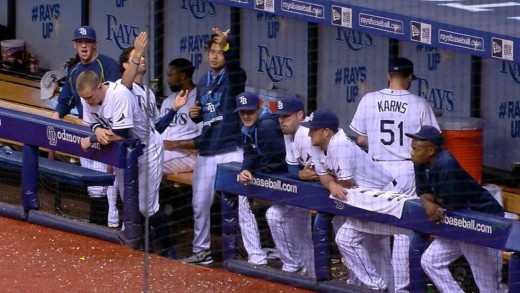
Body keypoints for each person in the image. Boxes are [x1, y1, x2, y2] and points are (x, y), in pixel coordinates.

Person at [350, 57, 440, 292]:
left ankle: (379, 283)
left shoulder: (369, 99)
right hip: (406, 169)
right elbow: (434, 141)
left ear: (388, 75)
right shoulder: (419, 104)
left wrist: (379, 143)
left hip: (375, 169)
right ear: (410, 77)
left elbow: (360, 138)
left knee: (373, 225)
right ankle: (400, 288)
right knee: (403, 231)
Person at [76, 69, 180, 259]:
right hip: (125, 152)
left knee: (146, 206)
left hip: (148, 148)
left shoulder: (119, 95)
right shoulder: (86, 97)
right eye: (85, 98)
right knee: (129, 203)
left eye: (90, 97)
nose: (88, 101)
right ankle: (142, 246)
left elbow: (120, 134)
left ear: (100, 87)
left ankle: (169, 249)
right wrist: (97, 129)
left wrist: (93, 138)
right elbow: (92, 121)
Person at [302, 109, 397, 292]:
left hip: (383, 197)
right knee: (374, 247)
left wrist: (333, 182)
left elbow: (346, 183)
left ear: (326, 131)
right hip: (365, 199)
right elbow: (324, 177)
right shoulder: (318, 145)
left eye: (313, 129)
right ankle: (377, 286)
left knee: (348, 239)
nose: (308, 133)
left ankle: (377, 287)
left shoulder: (340, 145)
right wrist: (331, 185)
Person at [406, 126, 504, 293]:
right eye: (412, 148)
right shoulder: (420, 162)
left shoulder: (446, 163)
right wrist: (427, 203)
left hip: (483, 221)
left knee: (488, 285)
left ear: (430, 151)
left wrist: (431, 201)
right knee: (431, 261)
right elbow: (424, 192)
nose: (412, 153)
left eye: (416, 149)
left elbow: (451, 204)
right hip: (458, 222)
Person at [181, 27, 246, 265]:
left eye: (221, 52)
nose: (215, 56)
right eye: (213, 51)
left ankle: (240, 250)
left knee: (239, 204)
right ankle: (202, 250)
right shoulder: (202, 81)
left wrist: (229, 43)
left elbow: (237, 65)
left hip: (230, 149)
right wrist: (195, 114)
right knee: (199, 203)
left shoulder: (234, 76)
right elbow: (206, 114)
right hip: (208, 150)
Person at [49, 26, 121, 228]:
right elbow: (65, 100)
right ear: (74, 45)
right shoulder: (74, 72)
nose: (83, 46)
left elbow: (117, 97)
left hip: (108, 131)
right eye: (80, 42)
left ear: (94, 44)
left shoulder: (108, 65)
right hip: (86, 130)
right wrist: (56, 114)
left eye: (87, 42)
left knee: (106, 188)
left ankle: (106, 227)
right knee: (94, 187)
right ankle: (98, 226)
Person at [234, 92, 287, 266]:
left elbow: (275, 161)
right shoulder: (247, 126)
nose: (247, 116)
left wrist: (256, 177)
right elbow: (249, 153)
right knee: (242, 196)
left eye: (250, 111)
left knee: (278, 216)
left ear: (259, 108)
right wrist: (246, 169)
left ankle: (291, 260)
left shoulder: (266, 125)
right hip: (270, 175)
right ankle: (256, 256)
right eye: (243, 112)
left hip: (287, 177)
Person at [269, 95, 316, 277]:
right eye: (279, 117)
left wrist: (305, 175)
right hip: (312, 191)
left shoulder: (308, 134)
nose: (281, 121)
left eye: (286, 116)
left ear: (300, 115)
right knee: (280, 217)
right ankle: (303, 270)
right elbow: (292, 167)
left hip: (345, 187)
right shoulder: (289, 135)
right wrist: (299, 174)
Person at [160, 58, 202, 174]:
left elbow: (204, 138)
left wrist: (174, 144)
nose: (167, 79)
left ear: (182, 76)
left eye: (170, 75)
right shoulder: (168, 101)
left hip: (187, 154)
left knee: (148, 163)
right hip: (164, 149)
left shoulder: (200, 100)